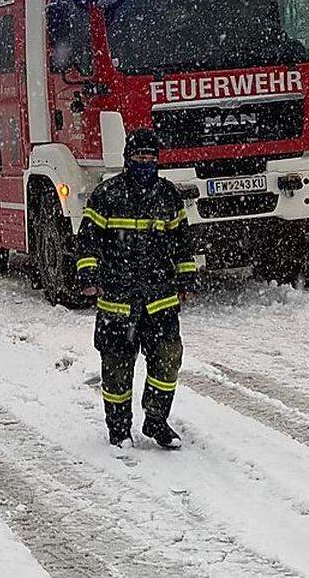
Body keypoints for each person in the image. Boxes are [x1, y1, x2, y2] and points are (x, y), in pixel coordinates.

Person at [76, 129, 197, 449]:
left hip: (160, 299)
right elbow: (87, 240)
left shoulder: (168, 195)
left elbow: (183, 244)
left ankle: (156, 421)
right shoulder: (106, 195)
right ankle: (118, 429)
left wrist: (187, 279)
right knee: (116, 368)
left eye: (150, 157)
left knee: (167, 361)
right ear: (128, 158)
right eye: (140, 157)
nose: (145, 162)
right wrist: (88, 274)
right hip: (118, 299)